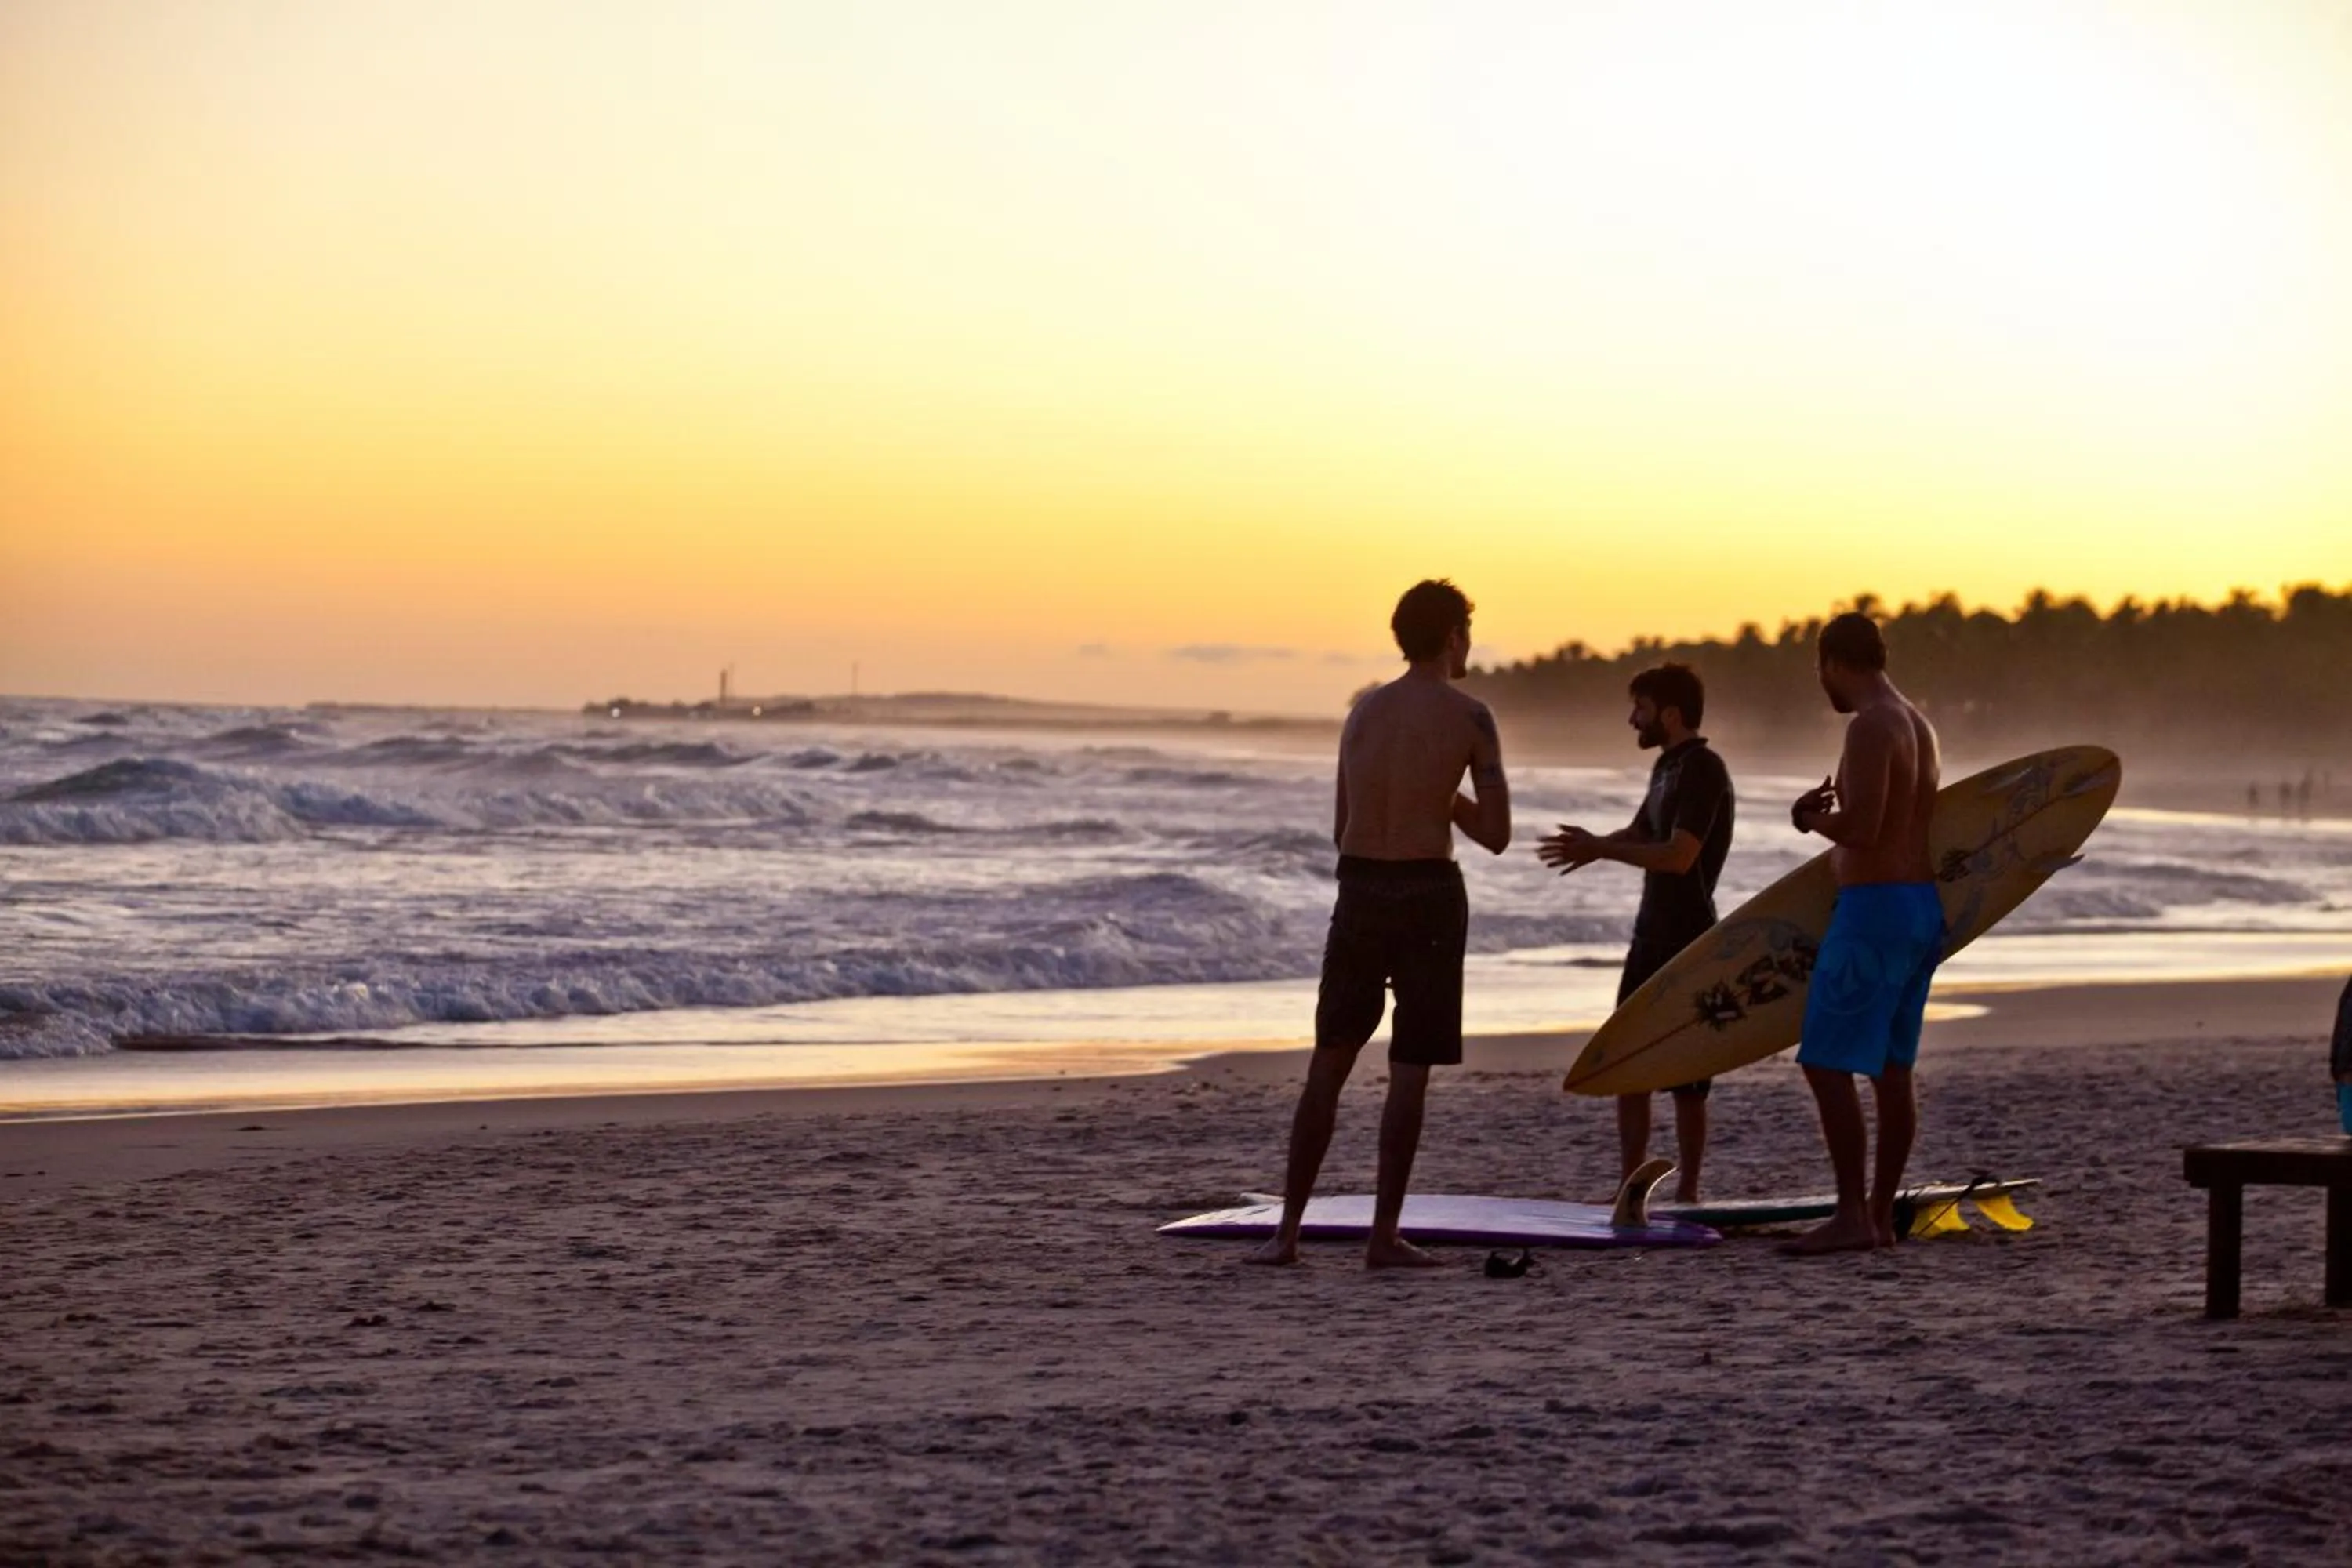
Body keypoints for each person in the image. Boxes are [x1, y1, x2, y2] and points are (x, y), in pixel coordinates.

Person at [1247, 579, 1512, 1268]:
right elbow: (1498, 833)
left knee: (1327, 1066)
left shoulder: (1362, 713)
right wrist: (1445, 797)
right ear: (1453, 636)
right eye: (1468, 633)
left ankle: (1287, 1234)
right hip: (1427, 891)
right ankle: (1383, 1235)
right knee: (1408, 1072)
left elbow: (1342, 828)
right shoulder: (1472, 717)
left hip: (1360, 887)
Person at [1537, 662, 1733, 1203]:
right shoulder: (1668, 767)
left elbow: (1677, 856)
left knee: (1689, 1078)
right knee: (1630, 1064)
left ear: (1669, 714)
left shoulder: (1703, 769)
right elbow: (1643, 833)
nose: (1632, 719)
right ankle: (1631, 1187)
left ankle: (1689, 1192)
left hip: (1690, 937)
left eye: (1640, 709)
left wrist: (1602, 849)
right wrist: (1594, 843)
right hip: (1649, 934)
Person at [1784, 612, 1944, 1255]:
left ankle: (1854, 1214)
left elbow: (1866, 830)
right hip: (1919, 910)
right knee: (1891, 1071)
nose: (1821, 684)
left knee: (1825, 1063)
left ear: (1834, 663)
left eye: (1819, 670)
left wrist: (1808, 819)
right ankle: (1877, 1218)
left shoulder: (1871, 725)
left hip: (1874, 912)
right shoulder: (1918, 723)